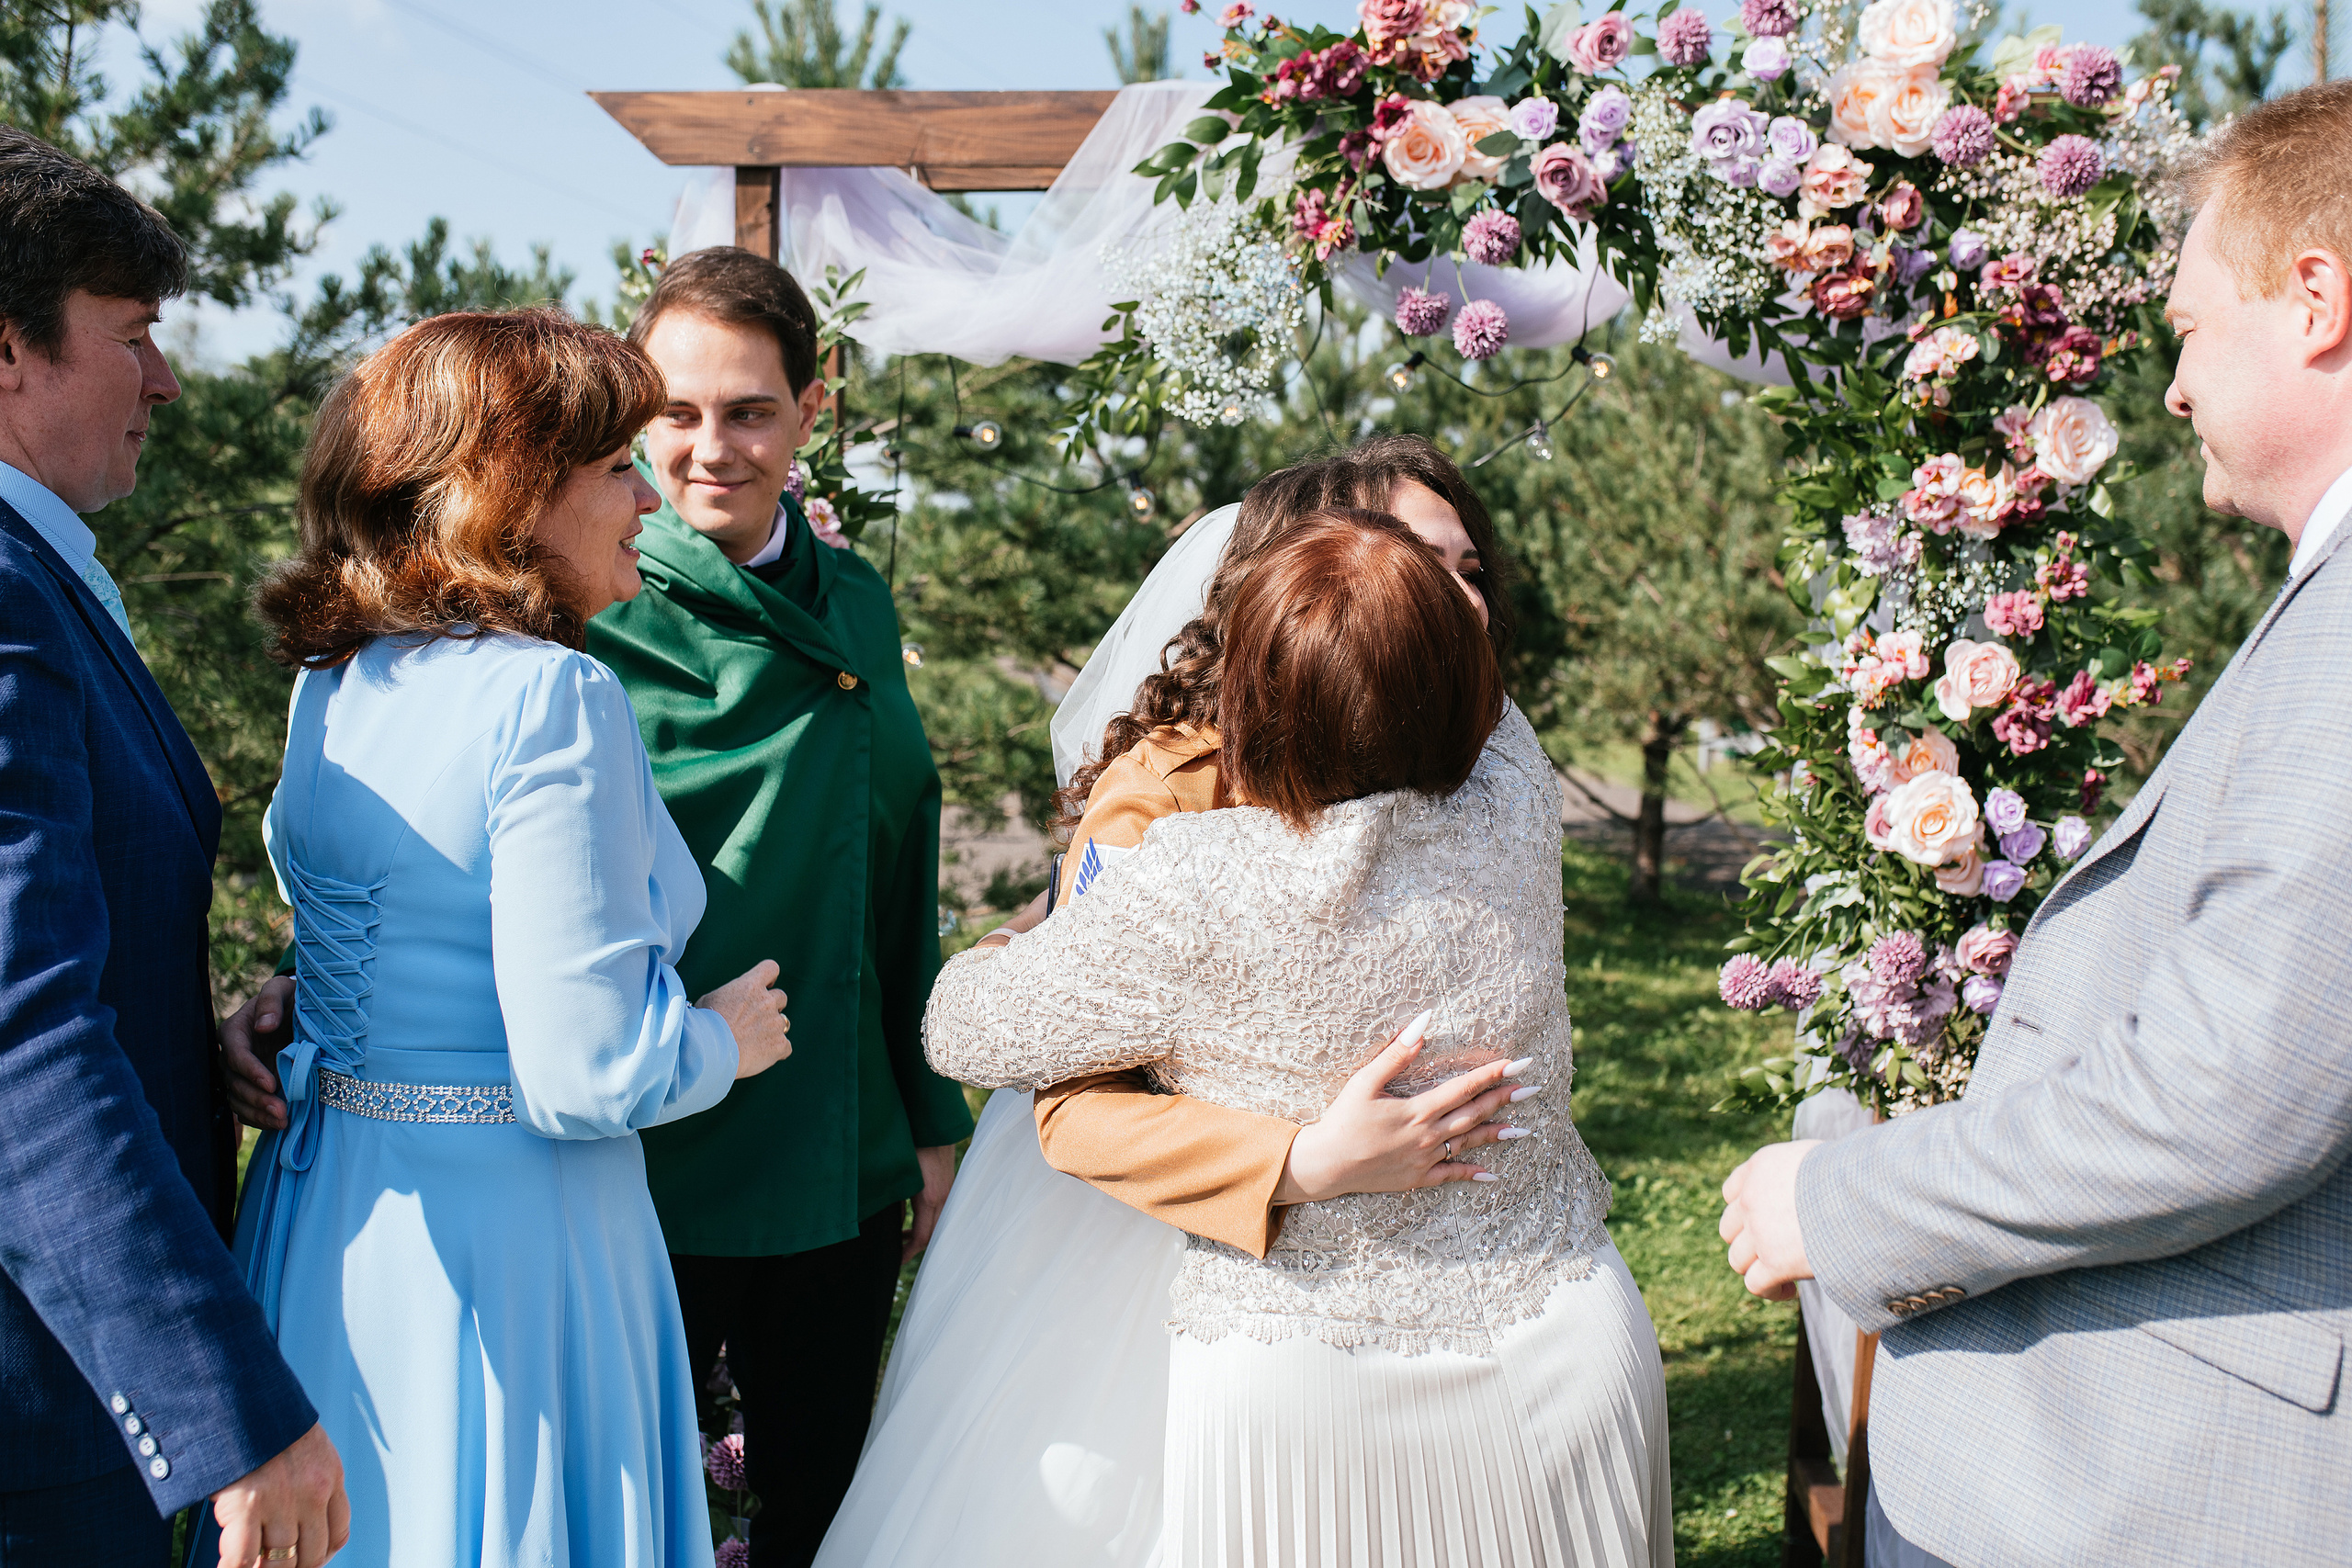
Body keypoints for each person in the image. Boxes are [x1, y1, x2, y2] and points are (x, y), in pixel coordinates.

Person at [1718, 82, 2352, 1568]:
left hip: (2162, 1492)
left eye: (2190, 328)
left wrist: (1845, 1201)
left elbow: (2223, 1096)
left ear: (2318, 301)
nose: (2173, 390)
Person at [813, 448, 1532, 1568]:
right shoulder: (1168, 792)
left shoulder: (1481, 762)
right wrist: (1295, 1161)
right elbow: (1075, 1095)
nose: (1457, 600)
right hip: (1159, 1251)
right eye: (1410, 562)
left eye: (1468, 568)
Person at [926, 510, 1673, 1567]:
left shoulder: (1193, 882)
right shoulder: (1518, 791)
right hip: (1567, 1335)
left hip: (1316, 1384)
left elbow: (963, 1032)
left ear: (1249, 699)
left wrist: (1014, 942)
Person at [230, 308, 793, 1567]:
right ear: (514, 493)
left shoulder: (335, 679)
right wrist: (722, 1039)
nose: (645, 499)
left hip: (330, 1214)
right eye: (614, 467)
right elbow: (587, 1071)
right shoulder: (552, 694)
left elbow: (377, 927)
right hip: (511, 1247)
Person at [583, 246, 976, 1567]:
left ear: (812, 410)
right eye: (678, 413)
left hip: (833, 1138)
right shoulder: (584, 606)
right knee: (635, 1517)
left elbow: (898, 867)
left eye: (750, 411)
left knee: (824, 1508)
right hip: (644, 1140)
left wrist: (928, 1121)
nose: (712, 448)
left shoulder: (856, 601)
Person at [0, 125, 345, 1568]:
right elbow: (20, 1037)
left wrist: (189, 1041)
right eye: (132, 332)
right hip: (48, 1407)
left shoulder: (41, 574)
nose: (168, 378)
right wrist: (222, 1406)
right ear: (8, 349)